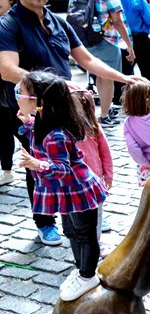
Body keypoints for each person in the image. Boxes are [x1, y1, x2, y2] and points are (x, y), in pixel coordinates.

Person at [0, 0, 135, 246]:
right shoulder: (9, 24)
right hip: (32, 106)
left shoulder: (56, 21)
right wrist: (55, 85)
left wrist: (122, 76)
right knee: (38, 164)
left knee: (72, 158)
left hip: (65, 103)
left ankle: (79, 210)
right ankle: (45, 221)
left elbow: (86, 59)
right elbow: (7, 69)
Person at [16, 71, 107, 301]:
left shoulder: (56, 134)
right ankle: (81, 270)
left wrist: (38, 164)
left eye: (21, 93)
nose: (16, 96)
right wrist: (28, 124)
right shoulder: (42, 123)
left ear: (38, 102)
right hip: (67, 192)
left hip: (78, 190)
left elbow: (62, 168)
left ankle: (88, 276)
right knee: (71, 232)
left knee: (85, 234)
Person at [69, 0, 136, 126]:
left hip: (84, 39)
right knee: (107, 77)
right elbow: (118, 21)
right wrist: (128, 44)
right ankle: (104, 116)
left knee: (97, 74)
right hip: (106, 39)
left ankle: (100, 111)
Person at [73, 88, 114, 243]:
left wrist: (108, 175)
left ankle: (96, 240)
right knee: (78, 212)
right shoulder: (64, 129)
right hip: (75, 180)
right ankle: (82, 238)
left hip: (95, 178)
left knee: (97, 209)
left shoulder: (94, 127)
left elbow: (105, 152)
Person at [122, 80, 150, 187]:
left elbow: (132, 147)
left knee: (149, 191)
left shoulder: (128, 123)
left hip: (147, 163)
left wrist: (144, 163)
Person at [0, 0, 18, 186]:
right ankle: (6, 169)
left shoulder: (15, 24)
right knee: (3, 131)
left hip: (15, 89)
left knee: (21, 128)